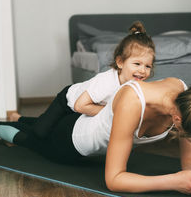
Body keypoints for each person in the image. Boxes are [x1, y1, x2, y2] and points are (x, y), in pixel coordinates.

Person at [0, 78, 191, 196]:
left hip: (87, 123)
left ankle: (18, 117)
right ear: (178, 121)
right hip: (70, 142)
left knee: (37, 126)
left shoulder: (190, 102)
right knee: (28, 141)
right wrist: (173, 182)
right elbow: (114, 180)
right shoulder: (134, 101)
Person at [10, 21, 155, 139]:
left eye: (148, 66)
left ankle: (19, 118)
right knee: (40, 132)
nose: (143, 71)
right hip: (67, 102)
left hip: (82, 109)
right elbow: (80, 106)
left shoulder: (136, 86)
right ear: (120, 62)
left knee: (50, 126)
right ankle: (7, 124)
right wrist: (111, 111)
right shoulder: (106, 82)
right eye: (137, 64)